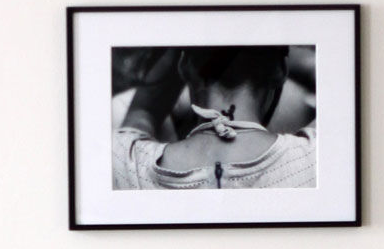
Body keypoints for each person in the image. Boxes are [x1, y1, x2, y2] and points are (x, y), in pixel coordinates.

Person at [112, 45, 316, 190]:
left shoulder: (126, 165)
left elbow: (143, 112)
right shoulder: (315, 159)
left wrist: (179, 51)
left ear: (184, 66)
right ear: (280, 70)